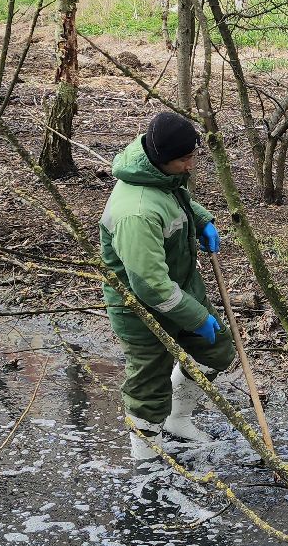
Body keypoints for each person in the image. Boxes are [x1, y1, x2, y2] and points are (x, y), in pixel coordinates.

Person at [99, 112, 236, 461]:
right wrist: (196, 318)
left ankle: (178, 420)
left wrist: (202, 220)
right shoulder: (137, 213)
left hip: (181, 288)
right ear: (162, 160)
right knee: (149, 383)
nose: (191, 165)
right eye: (185, 159)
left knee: (217, 349)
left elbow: (177, 196)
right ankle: (145, 461)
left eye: (193, 155)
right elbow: (151, 288)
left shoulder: (162, 173)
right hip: (141, 310)